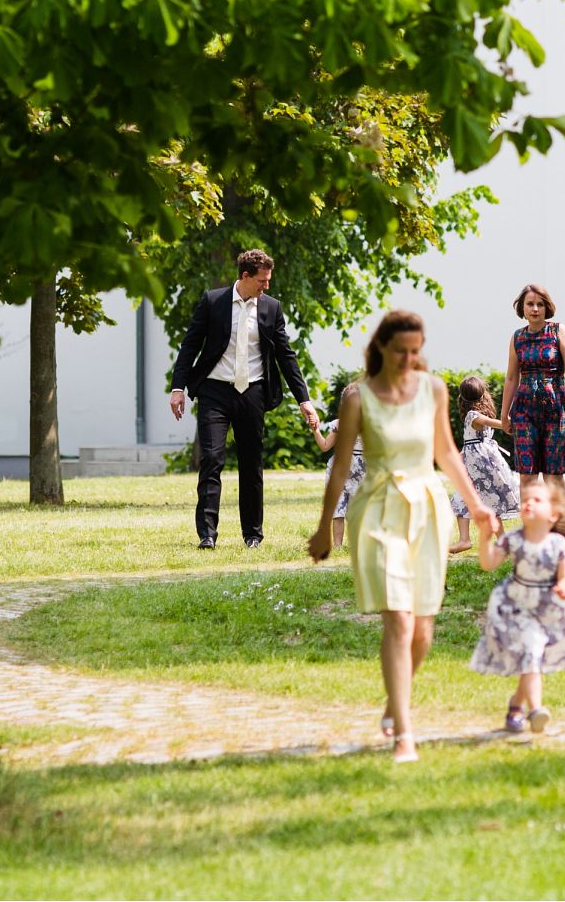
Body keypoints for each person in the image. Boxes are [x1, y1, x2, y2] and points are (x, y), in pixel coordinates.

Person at [308, 311, 497, 764]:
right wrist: (322, 528)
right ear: (381, 349)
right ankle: (404, 734)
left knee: (423, 629)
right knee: (398, 617)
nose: (409, 359)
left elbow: (447, 452)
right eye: (400, 352)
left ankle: (396, 701)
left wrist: (477, 507)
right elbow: (338, 468)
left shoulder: (432, 390)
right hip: (375, 508)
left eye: (416, 351)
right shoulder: (358, 398)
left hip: (427, 509)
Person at [170, 250, 318, 549]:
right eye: (262, 281)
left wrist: (304, 399)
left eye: (268, 280)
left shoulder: (271, 309)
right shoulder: (213, 302)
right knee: (211, 459)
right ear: (245, 276)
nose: (266, 286)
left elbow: (285, 355)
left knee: (252, 464)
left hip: (252, 392)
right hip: (215, 390)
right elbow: (191, 345)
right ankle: (207, 535)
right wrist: (178, 387)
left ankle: (252, 535)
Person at [469, 478, 565, 734]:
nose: (528, 504)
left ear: (553, 514)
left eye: (537, 500)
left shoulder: (560, 545)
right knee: (532, 652)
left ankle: (516, 706)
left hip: (548, 609)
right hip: (517, 608)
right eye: (525, 500)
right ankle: (536, 710)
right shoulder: (513, 539)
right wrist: (484, 538)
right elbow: (489, 563)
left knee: (532, 657)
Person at [501, 284, 565, 485]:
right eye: (530, 304)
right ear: (522, 308)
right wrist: (504, 414)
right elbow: (511, 378)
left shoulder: (558, 331)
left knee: (553, 476)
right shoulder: (517, 338)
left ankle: (562, 518)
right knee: (526, 476)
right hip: (524, 411)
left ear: (547, 307)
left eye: (540, 304)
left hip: (557, 408)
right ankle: (531, 518)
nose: (535, 309)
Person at [446, 376, 521, 555]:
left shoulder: (472, 414)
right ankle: (472, 540)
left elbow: (485, 425)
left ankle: (472, 540)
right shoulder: (475, 415)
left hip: (479, 465)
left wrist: (506, 424)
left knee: (472, 499)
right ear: (483, 394)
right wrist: (507, 424)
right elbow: (487, 424)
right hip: (480, 464)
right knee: (466, 499)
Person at [311, 382, 364, 552]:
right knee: (338, 510)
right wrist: (316, 430)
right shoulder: (338, 424)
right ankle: (338, 546)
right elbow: (325, 446)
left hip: (361, 472)